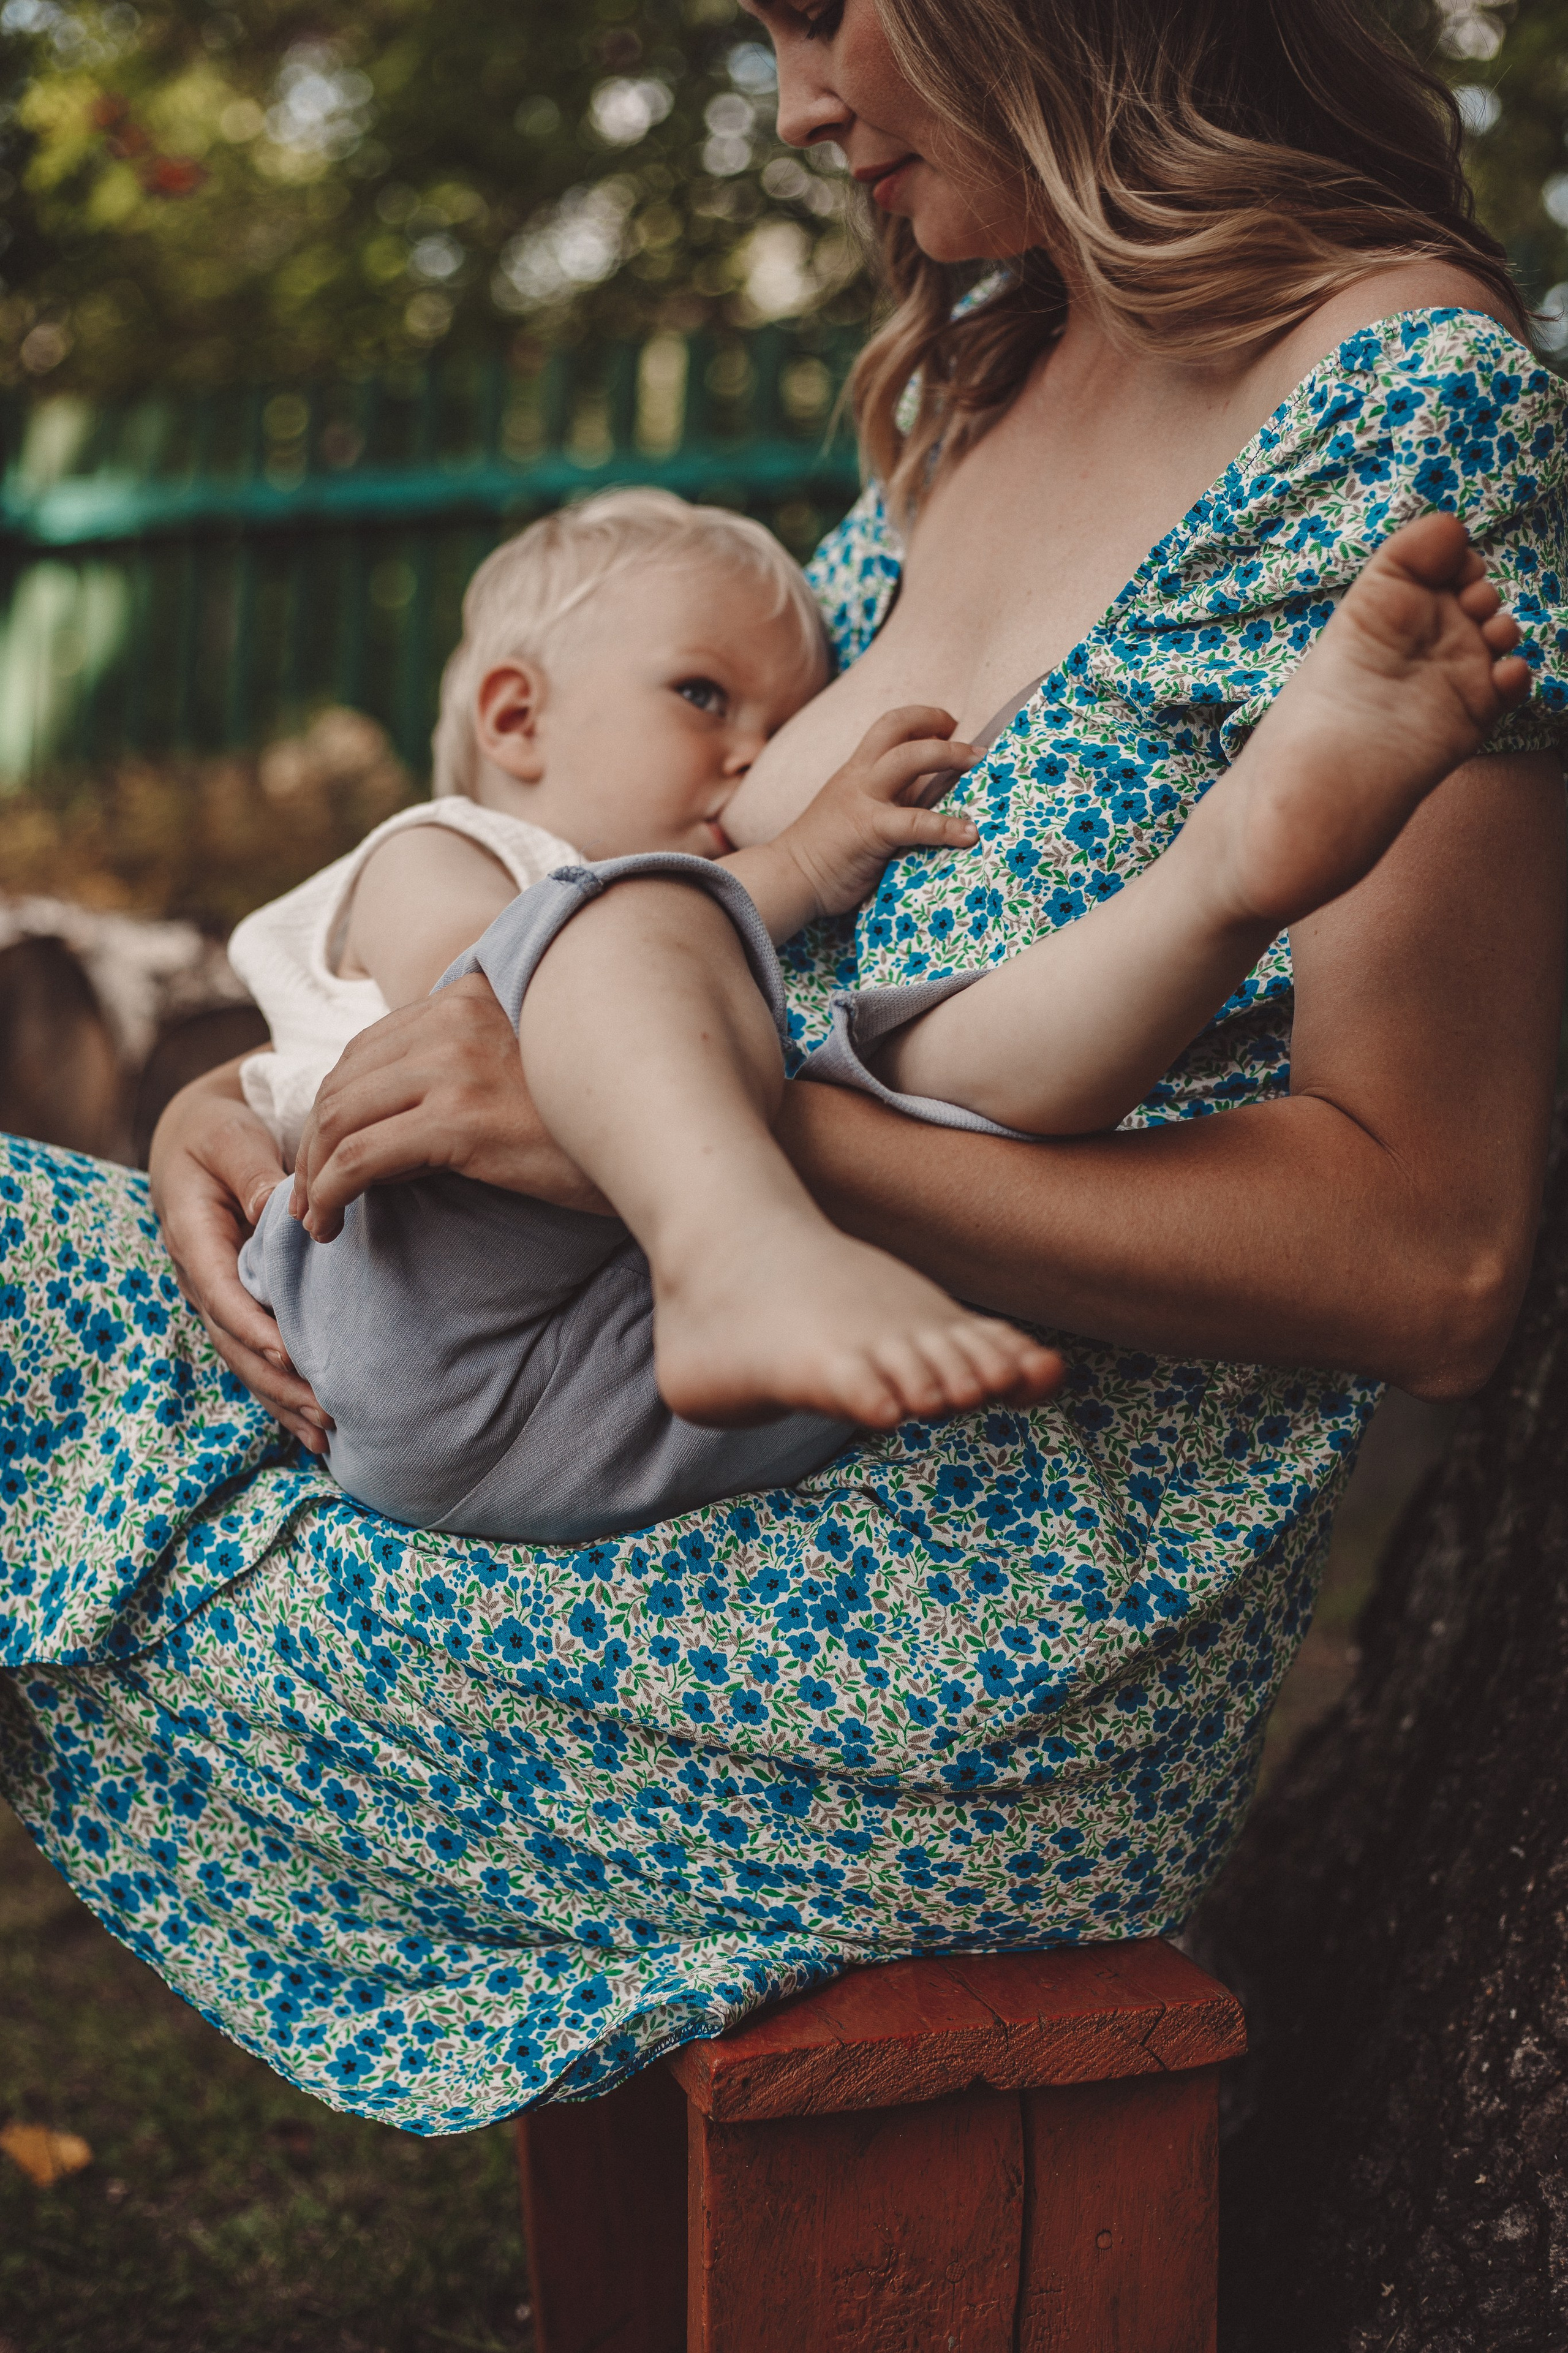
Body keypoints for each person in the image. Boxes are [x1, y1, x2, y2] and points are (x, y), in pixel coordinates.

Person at [2, 0, 1564, 2137]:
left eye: (821, 12)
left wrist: (727, 1154)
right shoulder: (988, 382)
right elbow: (677, 900)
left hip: (948, 1640)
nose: (801, 105)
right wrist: (289, 1089)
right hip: (597, 1393)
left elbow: (1433, 1258)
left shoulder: (1411, 416)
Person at [232, 488, 1525, 1543]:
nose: (751, 757)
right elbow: (487, 1023)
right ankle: (734, 1250)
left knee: (924, 1076)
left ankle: (1221, 880)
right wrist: (798, 862)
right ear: (516, 715)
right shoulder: (430, 849)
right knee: (618, 919)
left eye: (777, 722)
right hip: (415, 1320)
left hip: (608, 1400)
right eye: (700, 698)